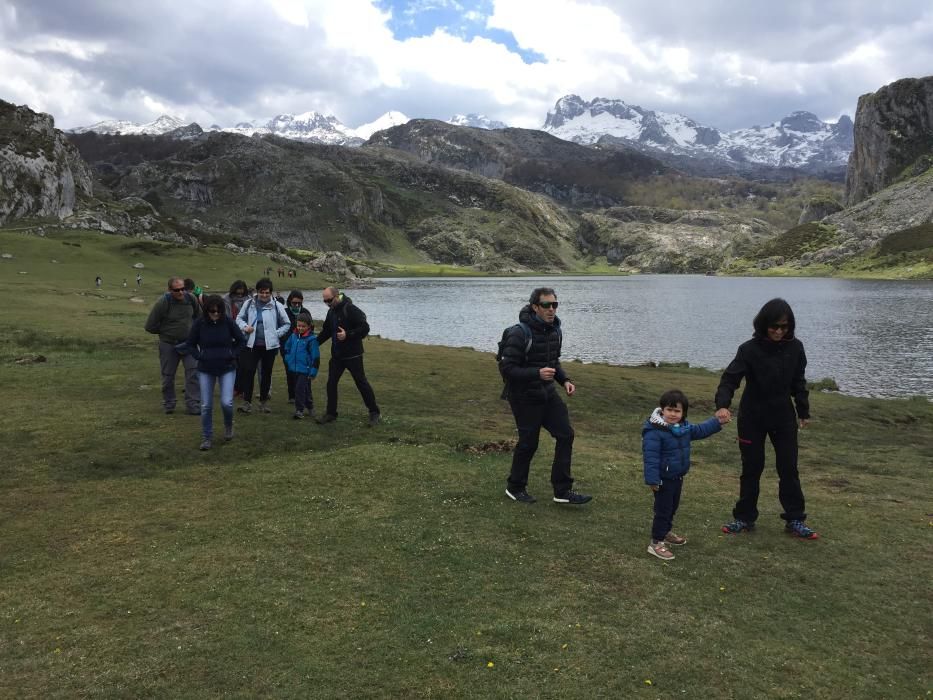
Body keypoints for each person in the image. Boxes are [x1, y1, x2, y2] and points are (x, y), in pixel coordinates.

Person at [715, 298, 819, 540]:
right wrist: (722, 405)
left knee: (789, 469)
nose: (779, 331)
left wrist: (803, 410)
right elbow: (730, 379)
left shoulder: (796, 348)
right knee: (752, 468)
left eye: (784, 327)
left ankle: (795, 520)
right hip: (752, 417)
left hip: (783, 417)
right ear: (763, 325)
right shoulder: (748, 349)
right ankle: (744, 518)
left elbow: (798, 382)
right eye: (774, 326)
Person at [499, 287, 591, 505]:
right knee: (529, 443)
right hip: (523, 396)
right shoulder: (518, 333)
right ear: (535, 307)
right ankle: (515, 487)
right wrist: (536, 373)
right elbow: (507, 369)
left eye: (555, 305)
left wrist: (565, 380)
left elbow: (553, 362)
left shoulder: (555, 331)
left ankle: (562, 491)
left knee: (566, 434)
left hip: (547, 393)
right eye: (546, 305)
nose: (552, 310)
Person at [643, 390, 727, 561]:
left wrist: (717, 421)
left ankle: (665, 532)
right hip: (662, 480)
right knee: (663, 510)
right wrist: (652, 480)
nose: (673, 414)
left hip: (677, 477)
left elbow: (701, 430)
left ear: (683, 413)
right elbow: (650, 457)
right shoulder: (654, 431)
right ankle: (656, 542)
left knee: (672, 507)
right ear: (662, 410)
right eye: (669, 410)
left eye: (677, 411)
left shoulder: (683, 429)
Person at [182, 295, 247, 450]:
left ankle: (228, 425)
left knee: (227, 402)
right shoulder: (199, 324)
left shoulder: (229, 322)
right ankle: (206, 437)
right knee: (206, 405)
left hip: (227, 367)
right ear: (207, 310)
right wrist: (199, 356)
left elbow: (241, 341)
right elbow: (190, 344)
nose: (215, 314)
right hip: (206, 368)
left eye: (218, 311)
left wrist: (233, 354)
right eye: (212, 311)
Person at [315, 286, 380, 426]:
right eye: (324, 301)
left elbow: (365, 328)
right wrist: (313, 344)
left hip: (353, 356)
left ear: (337, 296)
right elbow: (326, 331)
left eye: (329, 300)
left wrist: (348, 335)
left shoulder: (350, 309)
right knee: (331, 383)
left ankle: (374, 412)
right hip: (337, 356)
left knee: (361, 383)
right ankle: (331, 414)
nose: (327, 303)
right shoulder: (331, 312)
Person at [144, 276, 201, 414]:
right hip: (168, 344)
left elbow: (199, 317)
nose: (181, 292)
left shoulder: (191, 299)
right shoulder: (163, 302)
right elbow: (149, 325)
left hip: (188, 344)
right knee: (168, 376)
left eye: (183, 289)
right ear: (169, 290)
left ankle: (193, 405)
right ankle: (169, 404)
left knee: (193, 373)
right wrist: (165, 333)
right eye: (177, 290)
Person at [235, 277, 290, 414]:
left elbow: (287, 323)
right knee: (248, 372)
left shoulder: (277, 305)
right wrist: (244, 327)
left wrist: (275, 334)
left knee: (266, 374)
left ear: (271, 292)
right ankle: (247, 403)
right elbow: (239, 318)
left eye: (267, 292)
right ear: (257, 291)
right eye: (261, 292)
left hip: (269, 347)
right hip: (251, 345)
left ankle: (263, 403)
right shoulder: (249, 303)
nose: (264, 295)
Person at [283, 311, 320, 419]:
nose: (300, 328)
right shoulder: (293, 336)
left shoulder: (312, 340)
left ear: (309, 326)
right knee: (305, 389)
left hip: (305, 370)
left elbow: (315, 357)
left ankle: (299, 410)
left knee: (299, 389)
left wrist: (313, 371)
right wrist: (288, 358)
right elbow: (287, 347)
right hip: (294, 369)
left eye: (303, 326)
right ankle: (310, 406)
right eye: (299, 325)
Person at [281, 290, 312, 403]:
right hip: (287, 347)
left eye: (299, 303)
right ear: (289, 301)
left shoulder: (305, 312)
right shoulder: (284, 312)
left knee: (303, 372)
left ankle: (305, 396)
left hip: (303, 348)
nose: (297, 305)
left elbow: (310, 330)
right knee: (290, 371)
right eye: (294, 303)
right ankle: (292, 396)